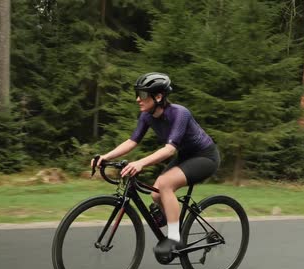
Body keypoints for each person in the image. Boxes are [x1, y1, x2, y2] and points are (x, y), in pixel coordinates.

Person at [92, 72, 220, 258]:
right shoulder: (147, 116)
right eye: (137, 94)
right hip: (185, 155)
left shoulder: (179, 113)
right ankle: (178, 221)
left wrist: (141, 163)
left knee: (166, 184)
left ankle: (175, 238)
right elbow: (132, 142)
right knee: (155, 192)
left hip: (205, 157)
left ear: (158, 96)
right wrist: (105, 156)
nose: (138, 99)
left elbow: (169, 150)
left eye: (143, 95)